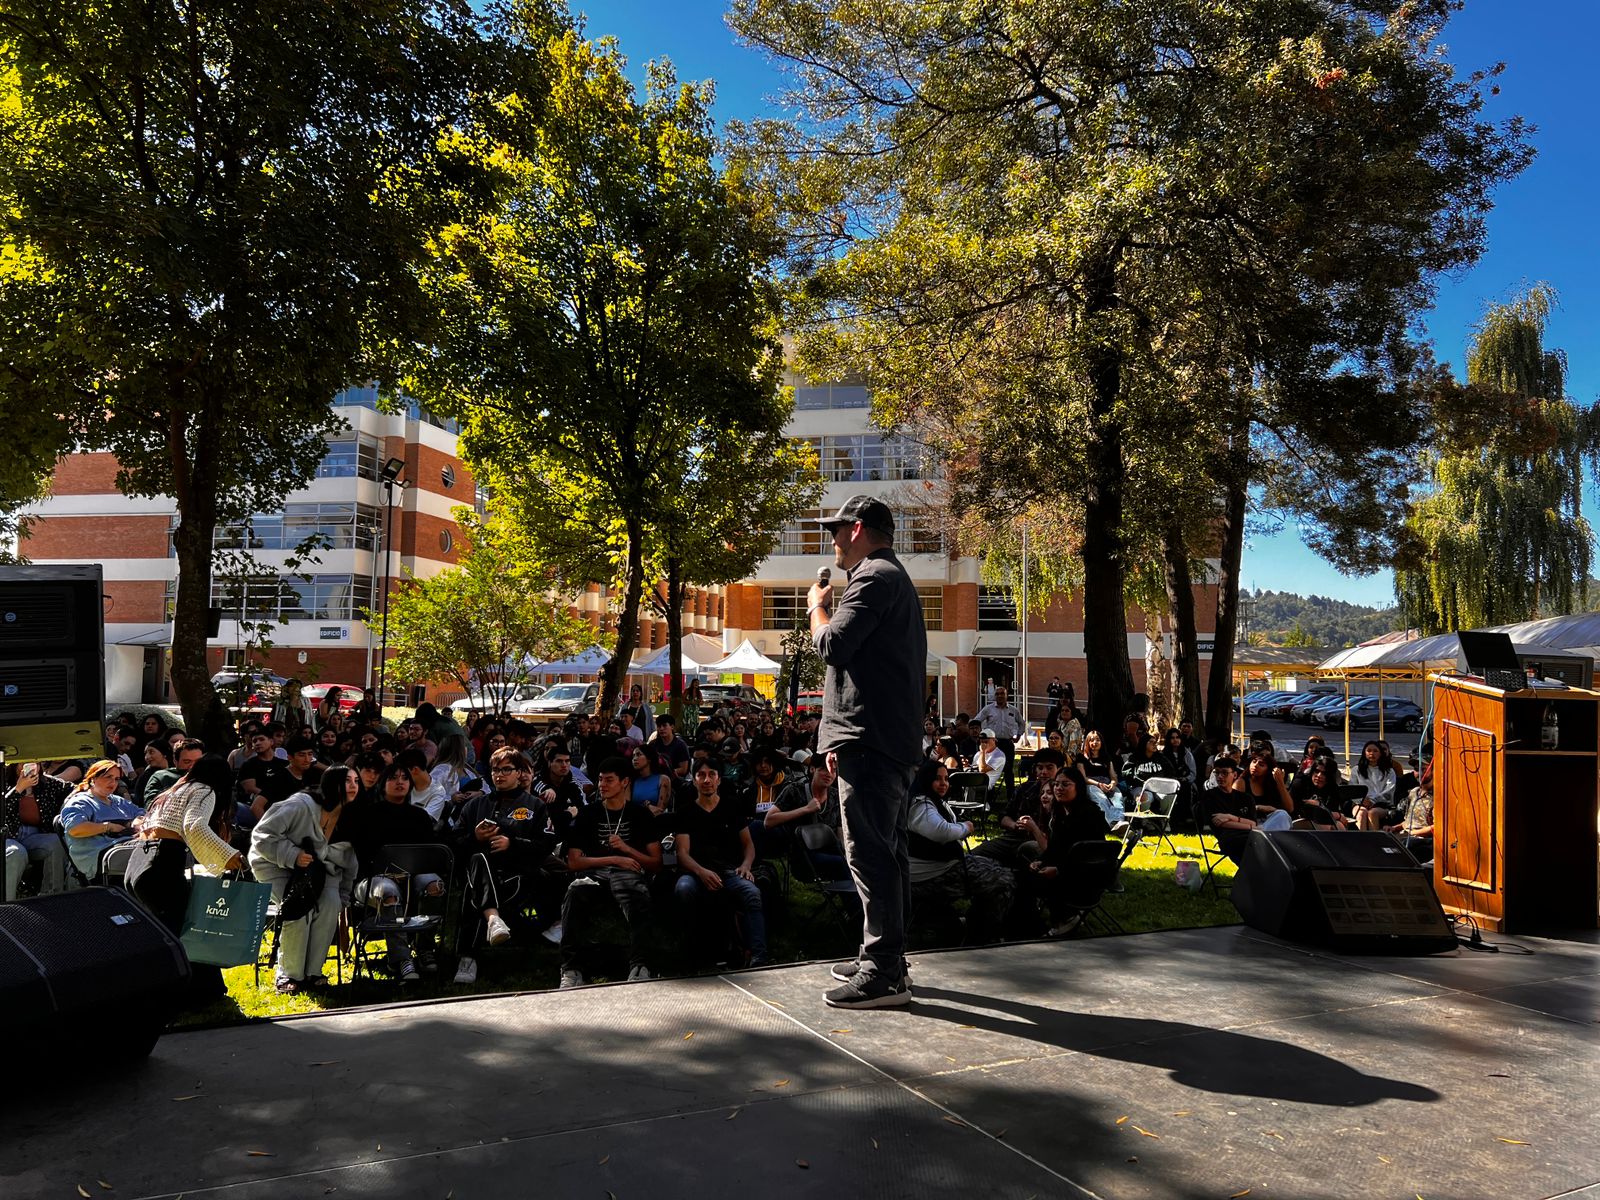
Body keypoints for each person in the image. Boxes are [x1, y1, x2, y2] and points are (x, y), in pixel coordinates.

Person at [807, 494, 927, 1009]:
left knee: (869, 853)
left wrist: (817, 606)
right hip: (879, 739)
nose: (831, 538)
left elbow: (833, 646)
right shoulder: (889, 577)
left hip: (872, 741)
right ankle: (886, 958)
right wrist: (838, 738)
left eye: (836, 529)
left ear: (858, 529)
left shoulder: (876, 577)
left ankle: (882, 971)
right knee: (887, 852)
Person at [125, 755, 243, 1005]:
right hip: (162, 863)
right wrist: (227, 854)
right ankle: (198, 995)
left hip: (138, 862)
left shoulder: (174, 790)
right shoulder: (204, 790)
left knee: (170, 933)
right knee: (189, 933)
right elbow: (195, 827)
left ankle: (197, 992)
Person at [248, 766, 358, 993]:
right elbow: (261, 836)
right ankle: (289, 974)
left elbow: (349, 859)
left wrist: (344, 895)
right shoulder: (300, 805)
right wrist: (293, 855)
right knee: (300, 907)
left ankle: (313, 972)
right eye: (347, 781)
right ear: (331, 784)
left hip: (320, 869)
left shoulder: (351, 813)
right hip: (273, 863)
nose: (353, 786)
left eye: (357, 781)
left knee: (330, 904)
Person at [336, 759, 444, 984]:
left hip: (415, 875)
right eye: (393, 778)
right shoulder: (367, 815)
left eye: (405, 778)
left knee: (434, 885)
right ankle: (400, 959)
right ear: (382, 783)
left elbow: (429, 854)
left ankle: (425, 948)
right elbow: (360, 855)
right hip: (374, 879)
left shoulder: (420, 816)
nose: (400, 782)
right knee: (389, 892)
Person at [559, 757, 662, 988]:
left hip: (629, 877)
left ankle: (640, 966)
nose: (602, 785)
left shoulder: (640, 815)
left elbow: (655, 863)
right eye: (600, 779)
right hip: (596, 875)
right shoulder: (589, 814)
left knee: (637, 897)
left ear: (624, 782)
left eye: (609, 780)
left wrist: (626, 850)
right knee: (575, 895)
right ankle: (571, 969)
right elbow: (574, 862)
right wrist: (615, 858)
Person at [908, 760, 1014, 945]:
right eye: (937, 779)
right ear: (925, 780)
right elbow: (941, 831)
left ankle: (976, 925)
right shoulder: (921, 804)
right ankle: (981, 936)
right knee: (1003, 881)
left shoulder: (931, 801)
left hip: (943, 866)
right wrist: (965, 827)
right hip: (931, 874)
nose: (943, 784)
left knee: (996, 868)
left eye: (946, 779)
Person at [673, 757, 767, 967]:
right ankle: (693, 953)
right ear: (694, 780)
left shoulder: (732, 806)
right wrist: (701, 872)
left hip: (729, 871)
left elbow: (748, 845)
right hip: (695, 873)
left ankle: (759, 956)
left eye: (712, 775)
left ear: (719, 780)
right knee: (683, 890)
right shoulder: (685, 812)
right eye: (701, 775)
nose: (707, 780)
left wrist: (745, 865)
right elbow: (682, 853)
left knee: (752, 893)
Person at [60, 760, 143, 882]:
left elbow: (141, 813)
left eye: (116, 779)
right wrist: (108, 827)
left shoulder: (117, 801)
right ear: (93, 778)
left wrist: (137, 821)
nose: (113, 782)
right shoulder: (80, 802)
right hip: (101, 856)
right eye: (108, 777)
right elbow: (75, 829)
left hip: (127, 847)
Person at [2, 762, 70, 897]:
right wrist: (18, 789)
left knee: (55, 842)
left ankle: (51, 897)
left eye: (35, 764)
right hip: (8, 836)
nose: (30, 767)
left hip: (34, 835)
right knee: (15, 853)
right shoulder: (3, 781)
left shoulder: (48, 784)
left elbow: (73, 788)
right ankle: (7, 904)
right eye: (24, 764)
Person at [972, 684, 1027, 796]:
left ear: (1007, 695)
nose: (1000, 696)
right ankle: (988, 794)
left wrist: (1019, 736)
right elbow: (976, 721)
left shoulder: (1013, 710)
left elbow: (1022, 723)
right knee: (989, 769)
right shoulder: (988, 709)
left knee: (1008, 770)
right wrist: (981, 735)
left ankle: (1010, 795)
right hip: (992, 744)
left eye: (1002, 693)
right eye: (997, 694)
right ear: (994, 696)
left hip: (1007, 743)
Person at [1351, 740, 1399, 829]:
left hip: (1382, 804)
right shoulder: (1356, 770)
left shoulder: (1389, 771)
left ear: (1380, 753)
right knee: (1361, 813)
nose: (1372, 753)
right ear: (1364, 753)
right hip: (1360, 803)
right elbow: (1352, 790)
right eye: (1369, 751)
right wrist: (1362, 800)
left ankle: (1374, 841)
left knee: (1372, 813)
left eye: (1375, 751)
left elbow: (1389, 791)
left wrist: (1373, 801)